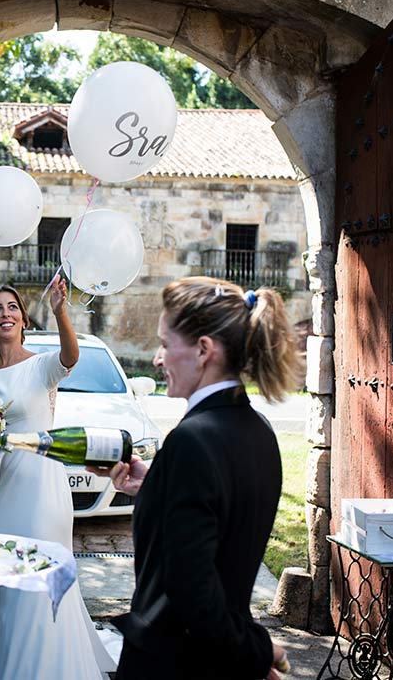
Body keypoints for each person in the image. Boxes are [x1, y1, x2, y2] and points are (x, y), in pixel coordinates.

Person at [94, 277, 299, 680]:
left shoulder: (190, 440)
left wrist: (259, 652)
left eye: (166, 344)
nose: (157, 359)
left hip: (177, 664)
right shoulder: (259, 431)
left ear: (204, 350)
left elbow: (192, 594)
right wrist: (156, 484)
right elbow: (222, 525)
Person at [0, 279, 115, 679]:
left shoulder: (40, 366)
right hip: (5, 490)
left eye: (13, 307)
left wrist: (60, 311)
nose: (6, 313)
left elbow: (70, 357)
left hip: (41, 488)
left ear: (23, 319)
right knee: (13, 587)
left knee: (39, 579)